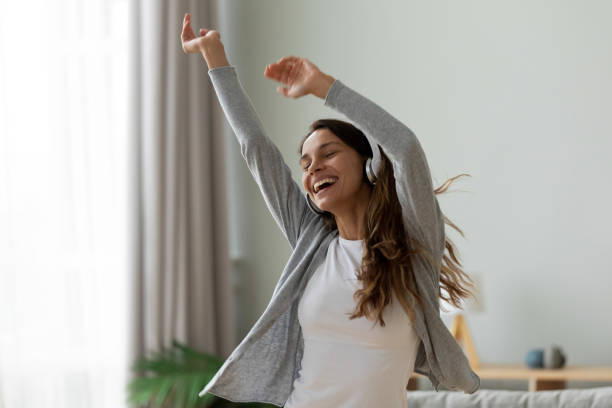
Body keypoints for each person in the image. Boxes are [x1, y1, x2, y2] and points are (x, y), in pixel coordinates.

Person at [181, 12, 480, 408]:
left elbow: (405, 148)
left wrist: (323, 87)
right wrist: (213, 55)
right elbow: (256, 149)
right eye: (305, 163)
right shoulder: (312, 241)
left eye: (328, 153)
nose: (313, 167)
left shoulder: (414, 245)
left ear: (365, 162)